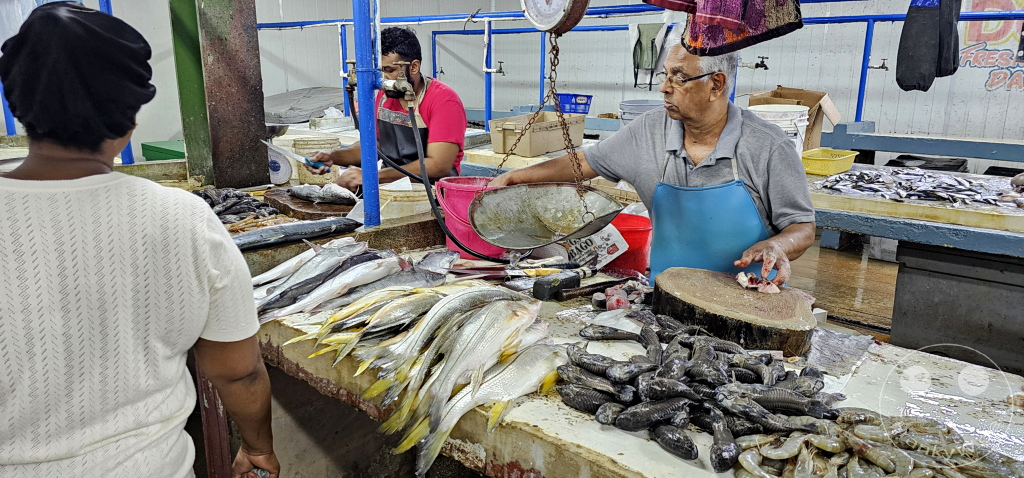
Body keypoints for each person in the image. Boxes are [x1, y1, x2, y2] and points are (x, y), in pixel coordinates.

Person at [0, 4, 278, 478]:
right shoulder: (183, 217)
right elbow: (239, 370)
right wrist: (258, 446)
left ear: (17, 104)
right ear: (130, 119)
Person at [491, 33, 815, 285]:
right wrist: (518, 177)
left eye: (678, 77)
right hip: (664, 300)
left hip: (748, 302)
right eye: (664, 75)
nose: (664, 88)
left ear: (716, 85)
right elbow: (585, 162)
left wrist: (777, 247)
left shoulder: (768, 146)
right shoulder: (648, 131)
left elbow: (801, 227)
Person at [306, 26, 468, 191]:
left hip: (432, 193)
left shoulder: (443, 100)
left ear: (413, 67)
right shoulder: (385, 96)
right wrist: (333, 156)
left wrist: (371, 176)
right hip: (391, 186)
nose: (383, 79)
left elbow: (438, 165)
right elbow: (377, 145)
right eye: (379, 71)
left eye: (389, 70)